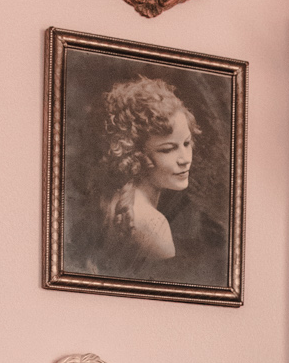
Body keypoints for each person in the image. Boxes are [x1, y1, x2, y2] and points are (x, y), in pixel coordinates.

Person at [76, 73, 227, 288]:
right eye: (168, 149)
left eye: (186, 143)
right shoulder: (154, 226)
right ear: (135, 154)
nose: (185, 159)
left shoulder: (113, 199)